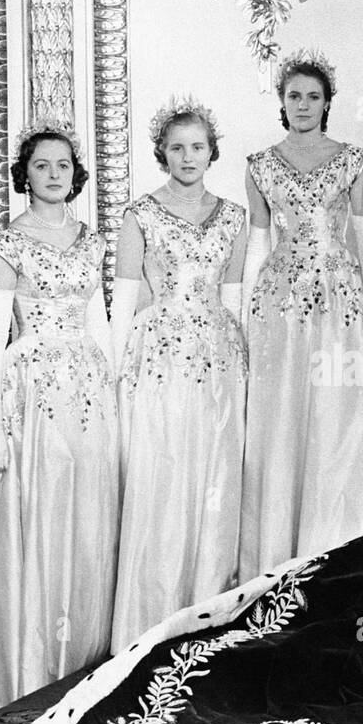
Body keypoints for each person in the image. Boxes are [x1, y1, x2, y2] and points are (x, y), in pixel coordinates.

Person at [0, 121, 117, 702]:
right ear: (24, 176)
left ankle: (84, 656)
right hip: (30, 390)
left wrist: (114, 394)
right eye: (41, 166)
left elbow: (101, 324)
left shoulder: (93, 239)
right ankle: (31, 664)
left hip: (88, 387)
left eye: (62, 165)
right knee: (40, 513)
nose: (53, 174)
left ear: (74, 174)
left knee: (88, 514)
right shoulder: (7, 244)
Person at [109, 96, 247, 647]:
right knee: (163, 481)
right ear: (161, 154)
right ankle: (150, 628)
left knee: (215, 484)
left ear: (212, 152)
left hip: (219, 360)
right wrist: (115, 375)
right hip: (159, 359)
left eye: (197, 147)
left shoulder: (234, 216)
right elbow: (123, 304)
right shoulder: (137, 215)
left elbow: (234, 300)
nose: (187, 157)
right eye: (176, 148)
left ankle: (206, 626)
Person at [239, 48, 363, 575]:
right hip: (279, 302)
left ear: (327, 103)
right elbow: (256, 244)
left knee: (338, 414)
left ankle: (336, 545)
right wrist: (248, 318)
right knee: (284, 416)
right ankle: (280, 551)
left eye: (312, 96)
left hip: (340, 295)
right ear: (281, 101)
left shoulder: (352, 160)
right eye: (293, 95)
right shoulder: (259, 165)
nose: (303, 104)